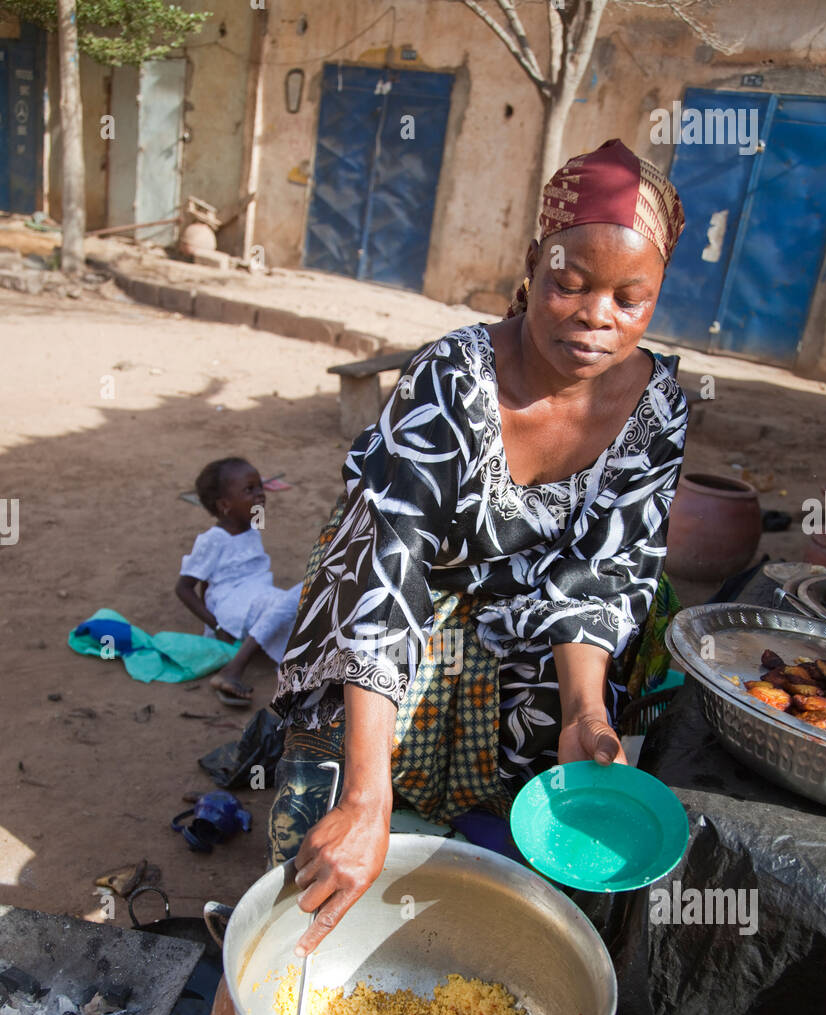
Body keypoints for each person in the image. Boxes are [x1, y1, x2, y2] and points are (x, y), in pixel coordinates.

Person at [270, 139, 688, 952]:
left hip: (530, 634)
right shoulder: (452, 377)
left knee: (542, 836)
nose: (597, 317)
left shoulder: (657, 402)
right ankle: (325, 879)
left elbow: (602, 575)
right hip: (396, 612)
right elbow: (385, 563)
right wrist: (367, 793)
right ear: (534, 264)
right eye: (570, 284)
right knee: (330, 804)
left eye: (630, 300)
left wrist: (586, 713)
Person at [176, 456, 302, 705]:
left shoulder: (251, 525)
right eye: (249, 490)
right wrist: (217, 626)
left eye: (260, 487)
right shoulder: (213, 539)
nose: (260, 495)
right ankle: (233, 669)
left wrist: (254, 505)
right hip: (232, 607)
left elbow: (256, 521)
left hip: (257, 598)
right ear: (224, 505)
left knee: (301, 618)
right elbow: (184, 588)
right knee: (303, 592)